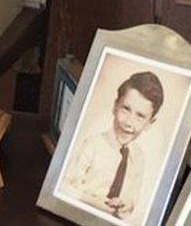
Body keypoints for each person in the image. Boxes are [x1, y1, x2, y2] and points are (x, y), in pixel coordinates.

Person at [62, 71, 165, 223]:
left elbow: (132, 198)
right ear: (115, 107)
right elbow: (64, 186)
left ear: (150, 123)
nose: (129, 122)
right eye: (126, 109)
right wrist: (90, 201)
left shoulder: (138, 157)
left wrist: (126, 205)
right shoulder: (92, 145)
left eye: (140, 116)